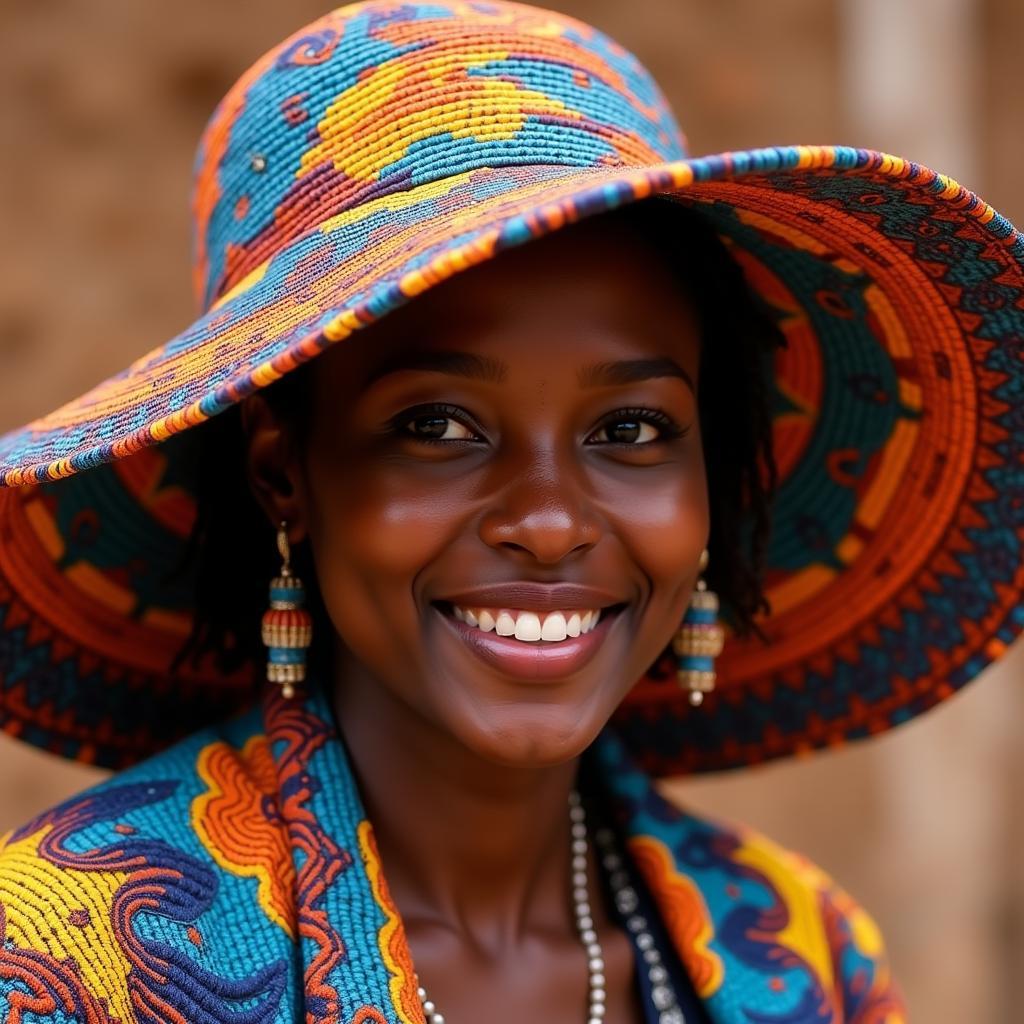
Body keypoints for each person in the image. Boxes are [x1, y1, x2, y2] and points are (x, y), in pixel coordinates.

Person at [0, 2, 1021, 1021]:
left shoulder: (809, 959)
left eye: (630, 430)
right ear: (284, 473)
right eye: (439, 426)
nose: (547, 520)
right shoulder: (61, 961)